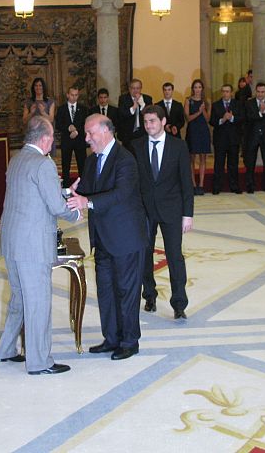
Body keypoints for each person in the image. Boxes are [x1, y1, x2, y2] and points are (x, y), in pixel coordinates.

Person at [0, 116, 81, 375]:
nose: (53, 141)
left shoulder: (18, 158)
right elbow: (55, 206)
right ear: (44, 139)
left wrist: (63, 191)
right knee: (38, 303)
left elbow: (35, 194)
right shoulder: (43, 163)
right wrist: (76, 211)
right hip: (32, 245)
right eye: (52, 137)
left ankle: (6, 349)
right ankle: (40, 362)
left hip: (12, 240)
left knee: (20, 299)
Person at [66, 114, 147, 361]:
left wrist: (86, 201)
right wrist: (71, 193)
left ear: (106, 131)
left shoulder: (125, 160)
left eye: (90, 133)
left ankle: (129, 341)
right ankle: (111, 338)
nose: (86, 138)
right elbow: (85, 189)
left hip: (126, 238)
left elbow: (120, 194)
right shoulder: (92, 161)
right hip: (101, 238)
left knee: (127, 291)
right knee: (106, 290)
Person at [134, 105, 194, 319]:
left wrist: (188, 214)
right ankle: (149, 295)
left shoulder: (178, 147)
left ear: (163, 121)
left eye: (152, 121)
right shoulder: (136, 146)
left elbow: (186, 182)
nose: (148, 125)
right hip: (145, 211)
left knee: (175, 256)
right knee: (144, 255)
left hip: (172, 210)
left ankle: (179, 303)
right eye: (146, 121)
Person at [210, 84, 243, 194]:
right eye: (223, 91)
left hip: (234, 139)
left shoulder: (237, 104)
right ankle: (217, 187)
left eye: (227, 91)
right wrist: (222, 120)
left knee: (233, 164)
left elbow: (242, 118)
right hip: (220, 139)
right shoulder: (216, 105)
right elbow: (212, 121)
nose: (225, 93)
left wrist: (232, 118)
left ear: (231, 93)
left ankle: (234, 186)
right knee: (219, 164)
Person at [243, 82, 265, 193]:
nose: (260, 94)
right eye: (258, 91)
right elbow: (249, 116)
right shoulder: (249, 103)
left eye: (262, 92)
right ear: (255, 91)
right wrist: (261, 113)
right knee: (250, 162)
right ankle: (250, 185)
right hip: (252, 136)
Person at [55, 86, 88, 188]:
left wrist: (77, 131)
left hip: (80, 141)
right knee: (65, 165)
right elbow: (58, 125)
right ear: (67, 95)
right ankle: (66, 186)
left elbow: (85, 124)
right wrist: (68, 128)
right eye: (72, 95)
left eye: (76, 95)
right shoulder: (61, 109)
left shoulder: (83, 109)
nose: (74, 97)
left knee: (82, 164)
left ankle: (83, 186)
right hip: (66, 141)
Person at [184, 79, 211, 196]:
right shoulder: (188, 101)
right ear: (192, 89)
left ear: (202, 89)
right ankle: (193, 184)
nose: (197, 90)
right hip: (193, 130)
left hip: (203, 130)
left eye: (199, 87)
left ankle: (201, 184)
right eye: (195, 87)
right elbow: (188, 118)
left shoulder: (206, 101)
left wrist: (203, 110)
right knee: (192, 159)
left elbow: (208, 119)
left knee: (203, 158)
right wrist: (198, 112)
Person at [117, 79, 153, 155]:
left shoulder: (147, 99)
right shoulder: (123, 99)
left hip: (143, 133)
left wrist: (142, 104)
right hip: (128, 134)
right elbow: (122, 114)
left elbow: (150, 115)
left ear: (141, 88)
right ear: (129, 88)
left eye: (138, 88)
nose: (135, 90)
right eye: (133, 88)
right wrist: (133, 108)